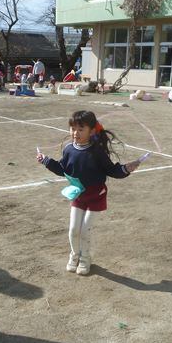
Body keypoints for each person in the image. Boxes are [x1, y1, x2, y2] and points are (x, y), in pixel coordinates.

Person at [37, 111, 140, 275]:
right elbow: (63, 169)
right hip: (78, 195)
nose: (75, 133)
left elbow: (111, 170)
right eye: (73, 129)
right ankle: (74, 255)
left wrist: (125, 169)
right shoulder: (69, 149)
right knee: (73, 230)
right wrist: (46, 161)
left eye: (80, 129)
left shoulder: (97, 151)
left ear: (91, 131)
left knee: (85, 230)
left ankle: (85, 258)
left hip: (96, 196)